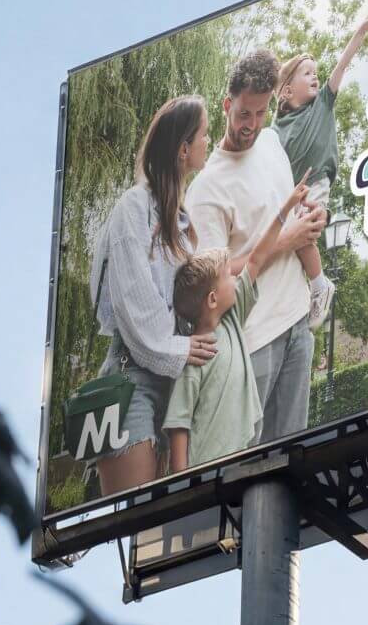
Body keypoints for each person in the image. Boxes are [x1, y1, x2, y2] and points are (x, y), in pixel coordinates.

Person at [186, 49, 328, 446]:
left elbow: (288, 207)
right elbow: (212, 283)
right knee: (253, 472)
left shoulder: (271, 143)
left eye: (261, 113)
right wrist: (284, 242)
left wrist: (311, 215)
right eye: (244, 114)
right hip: (254, 342)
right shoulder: (206, 190)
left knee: (295, 457)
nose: (251, 125)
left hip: (298, 324)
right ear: (227, 105)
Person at [88, 95, 218, 497]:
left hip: (174, 384)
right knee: (141, 524)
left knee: (165, 537)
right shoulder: (133, 209)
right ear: (183, 149)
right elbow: (136, 308)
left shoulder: (180, 218)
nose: (208, 142)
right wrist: (180, 347)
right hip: (132, 383)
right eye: (203, 135)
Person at [164, 182, 311, 470]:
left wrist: (285, 210)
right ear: (213, 298)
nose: (236, 278)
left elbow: (257, 258)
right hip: (205, 472)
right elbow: (178, 426)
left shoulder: (232, 320)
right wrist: (181, 486)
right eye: (227, 277)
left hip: (240, 460)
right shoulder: (195, 359)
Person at [273, 4, 368, 327]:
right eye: (307, 73)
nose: (315, 76)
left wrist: (359, 34)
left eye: (315, 71)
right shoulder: (276, 128)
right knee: (289, 231)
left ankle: (320, 284)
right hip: (290, 190)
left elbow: (340, 68)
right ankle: (305, 286)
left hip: (316, 182)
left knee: (304, 224)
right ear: (288, 90)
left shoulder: (323, 103)